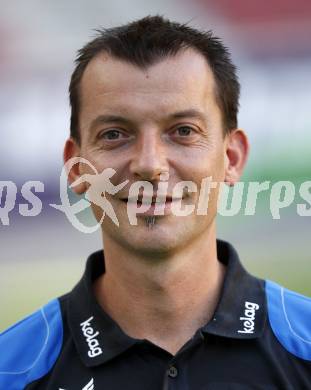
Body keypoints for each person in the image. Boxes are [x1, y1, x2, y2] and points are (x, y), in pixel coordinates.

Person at [1, 15, 310, 390]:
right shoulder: (12, 370)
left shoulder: (303, 347)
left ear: (231, 158)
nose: (149, 165)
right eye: (114, 134)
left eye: (183, 131)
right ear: (76, 167)